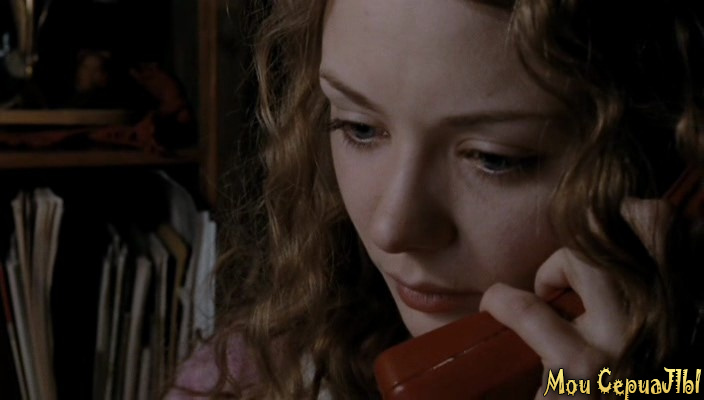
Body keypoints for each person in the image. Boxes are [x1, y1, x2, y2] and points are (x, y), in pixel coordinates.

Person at [168, 0, 704, 398]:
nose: (392, 228)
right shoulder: (249, 376)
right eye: (358, 128)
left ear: (662, 161)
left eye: (494, 158)